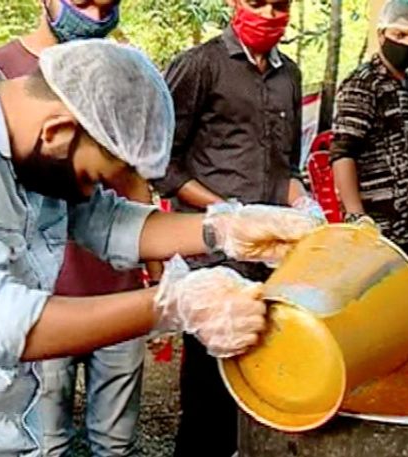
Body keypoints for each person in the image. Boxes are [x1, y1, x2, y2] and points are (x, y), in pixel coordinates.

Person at [0, 40, 320, 455]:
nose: (94, 194)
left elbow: (106, 220)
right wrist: (174, 305)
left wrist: (227, 227)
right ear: (57, 132)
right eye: (94, 178)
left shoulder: (25, 147)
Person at [0, 2, 153, 455]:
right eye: (84, 2)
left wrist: (216, 233)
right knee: (44, 441)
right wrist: (171, 304)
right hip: (42, 301)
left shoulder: (120, 73)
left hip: (116, 289)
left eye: (107, 4)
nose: (95, 14)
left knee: (116, 443)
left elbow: (128, 188)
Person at [151, 1, 315, 455]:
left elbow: (285, 166)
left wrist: (303, 203)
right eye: (256, 2)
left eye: (278, 4)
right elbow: (162, 161)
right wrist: (224, 212)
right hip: (211, 253)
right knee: (208, 395)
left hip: (272, 256)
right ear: (233, 4)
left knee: (263, 375)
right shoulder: (200, 65)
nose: (268, 12)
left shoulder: (290, 76)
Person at [330, 0, 408, 256]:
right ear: (381, 34)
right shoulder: (363, 84)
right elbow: (343, 153)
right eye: (400, 35)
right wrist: (356, 216)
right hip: (373, 221)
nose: (407, 43)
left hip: (406, 221)